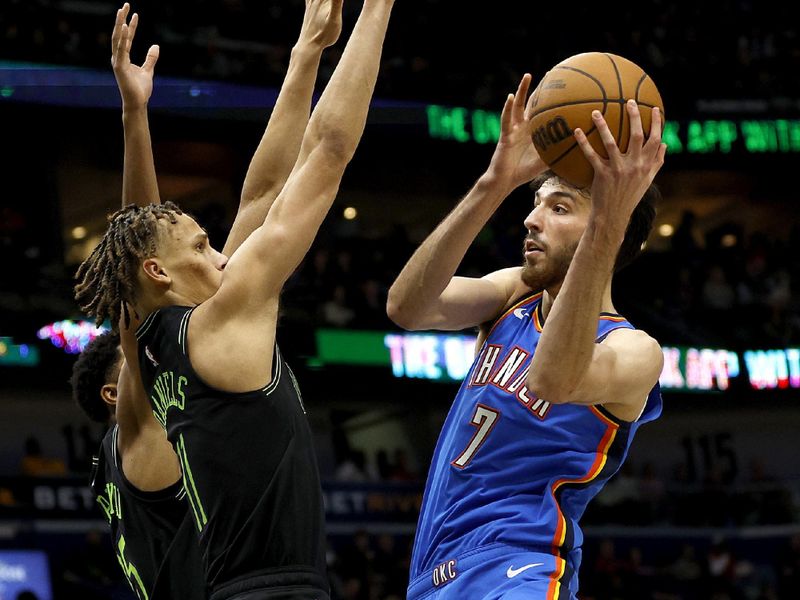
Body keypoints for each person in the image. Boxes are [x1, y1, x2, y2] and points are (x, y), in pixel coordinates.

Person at [74, 0, 395, 597]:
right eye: (203, 246)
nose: (220, 254)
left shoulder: (170, 341)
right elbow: (326, 152)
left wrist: (305, 54)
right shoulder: (174, 370)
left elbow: (257, 196)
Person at [387, 74, 666, 599]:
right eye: (537, 202)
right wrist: (494, 182)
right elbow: (407, 307)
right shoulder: (512, 294)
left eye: (558, 207)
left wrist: (610, 215)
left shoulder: (634, 351)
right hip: (433, 571)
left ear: (611, 224)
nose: (531, 218)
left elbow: (552, 378)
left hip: (519, 565)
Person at [71, 330, 206, 599]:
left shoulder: (111, 466)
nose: (149, 357)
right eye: (134, 357)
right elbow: (135, 325)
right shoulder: (136, 436)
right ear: (113, 394)